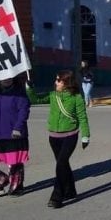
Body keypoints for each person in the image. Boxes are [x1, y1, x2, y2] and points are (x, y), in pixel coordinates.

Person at [26, 70, 90, 209]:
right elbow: (35, 100)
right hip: (54, 137)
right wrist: (29, 88)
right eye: (56, 80)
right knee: (63, 164)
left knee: (60, 164)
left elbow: (82, 117)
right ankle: (71, 190)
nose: (56, 83)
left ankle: (57, 196)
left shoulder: (76, 98)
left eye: (58, 80)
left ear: (67, 83)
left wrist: (85, 136)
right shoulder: (53, 95)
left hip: (70, 135)